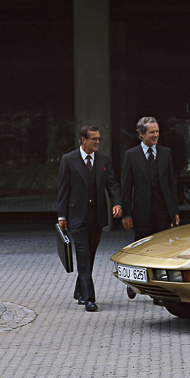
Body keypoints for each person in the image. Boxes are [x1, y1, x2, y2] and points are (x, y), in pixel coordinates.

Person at [57, 125, 122, 312]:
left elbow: (112, 184)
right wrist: (61, 216)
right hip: (76, 216)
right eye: (93, 139)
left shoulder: (103, 159)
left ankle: (79, 290)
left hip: (97, 217)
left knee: (90, 255)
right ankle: (89, 298)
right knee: (83, 255)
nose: (97, 142)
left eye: (99, 139)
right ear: (83, 140)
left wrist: (117, 203)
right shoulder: (68, 160)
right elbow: (63, 190)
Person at [121, 117, 181, 299]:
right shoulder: (131, 155)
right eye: (151, 132)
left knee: (162, 250)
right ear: (141, 135)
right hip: (141, 212)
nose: (156, 135)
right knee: (140, 249)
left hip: (162, 210)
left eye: (157, 131)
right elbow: (126, 185)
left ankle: (159, 293)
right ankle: (135, 284)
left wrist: (174, 212)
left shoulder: (166, 153)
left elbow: (171, 184)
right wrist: (126, 214)